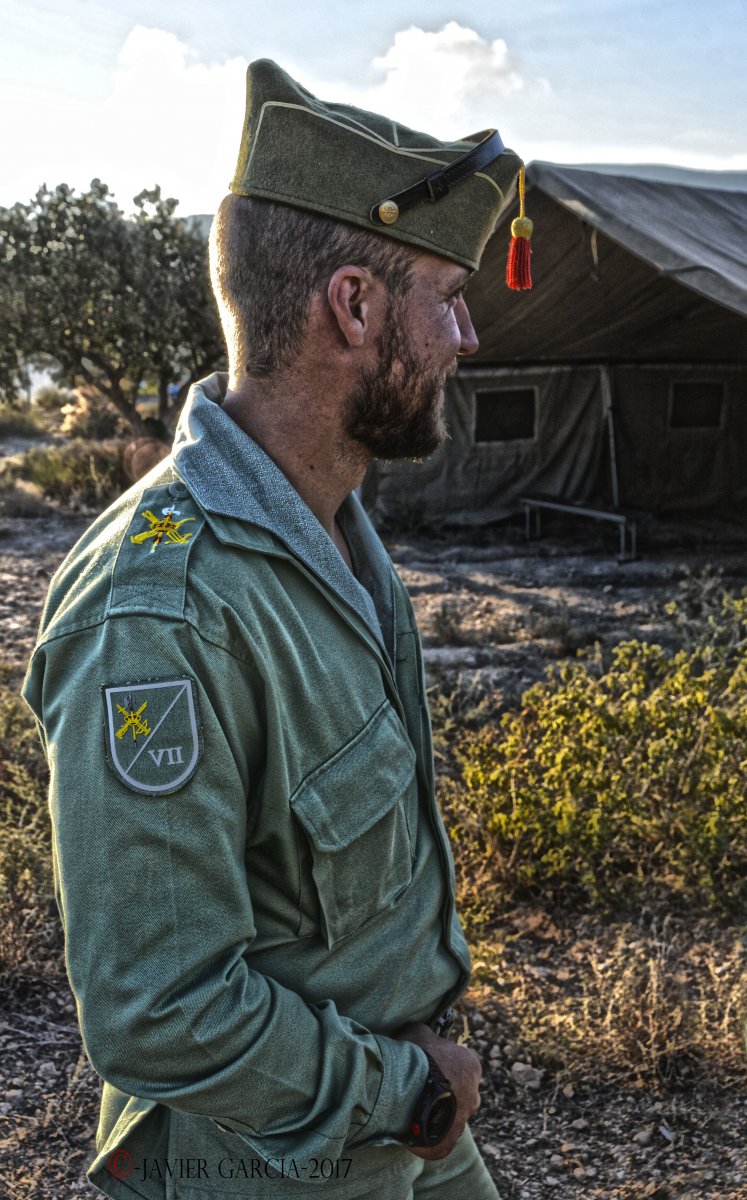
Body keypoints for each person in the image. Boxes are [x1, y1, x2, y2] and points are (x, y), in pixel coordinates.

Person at [23, 59, 523, 1200]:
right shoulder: (161, 608)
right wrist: (405, 1090)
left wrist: (413, 1092)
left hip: (395, 1114)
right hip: (270, 1154)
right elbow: (160, 1010)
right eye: (446, 296)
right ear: (354, 306)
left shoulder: (329, 527)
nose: (466, 336)